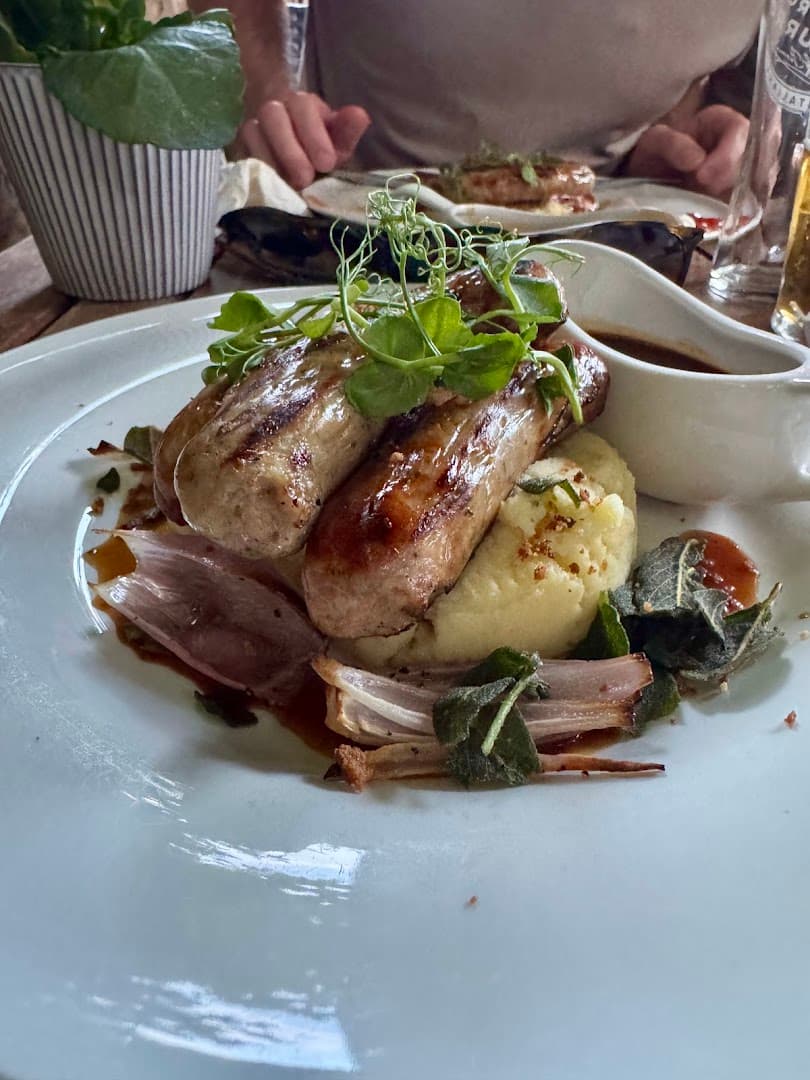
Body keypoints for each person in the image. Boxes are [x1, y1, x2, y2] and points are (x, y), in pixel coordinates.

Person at [193, 0, 764, 197]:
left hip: (623, 243)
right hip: (356, 228)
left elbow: (680, 67)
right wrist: (266, 102)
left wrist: (673, 146)